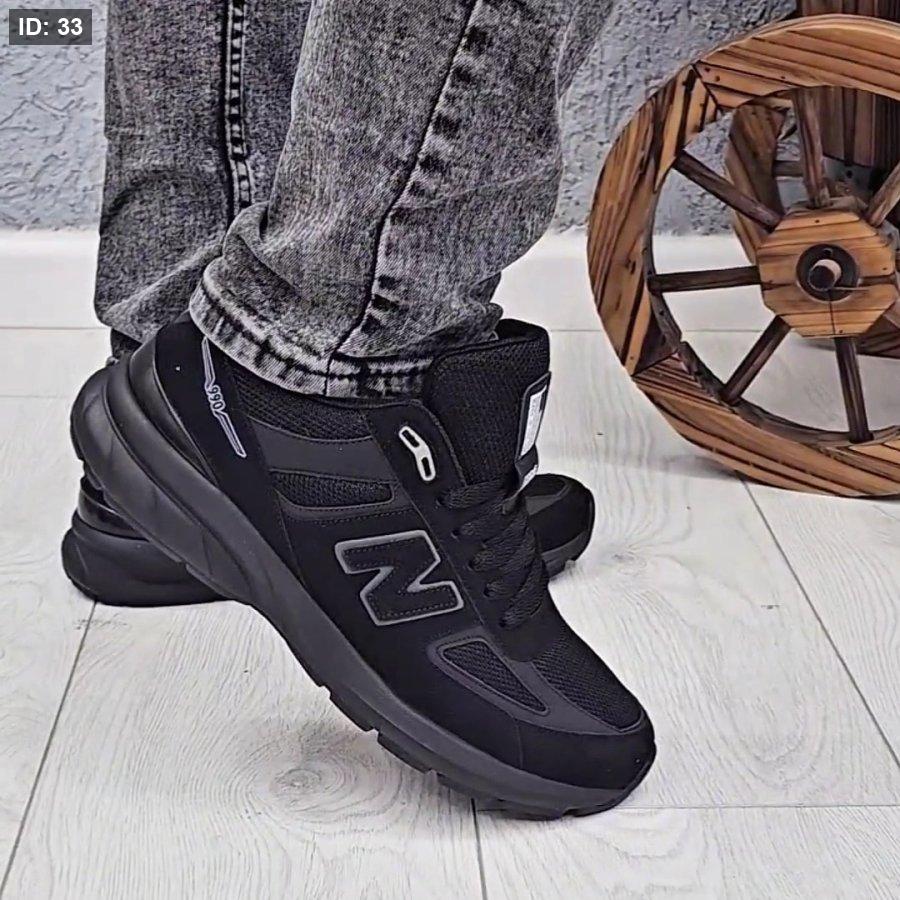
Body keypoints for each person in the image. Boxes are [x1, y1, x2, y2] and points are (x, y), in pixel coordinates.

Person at [64, 0, 655, 817]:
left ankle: (178, 444)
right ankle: (321, 381)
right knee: (322, 345)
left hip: (202, 407)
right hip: (321, 396)